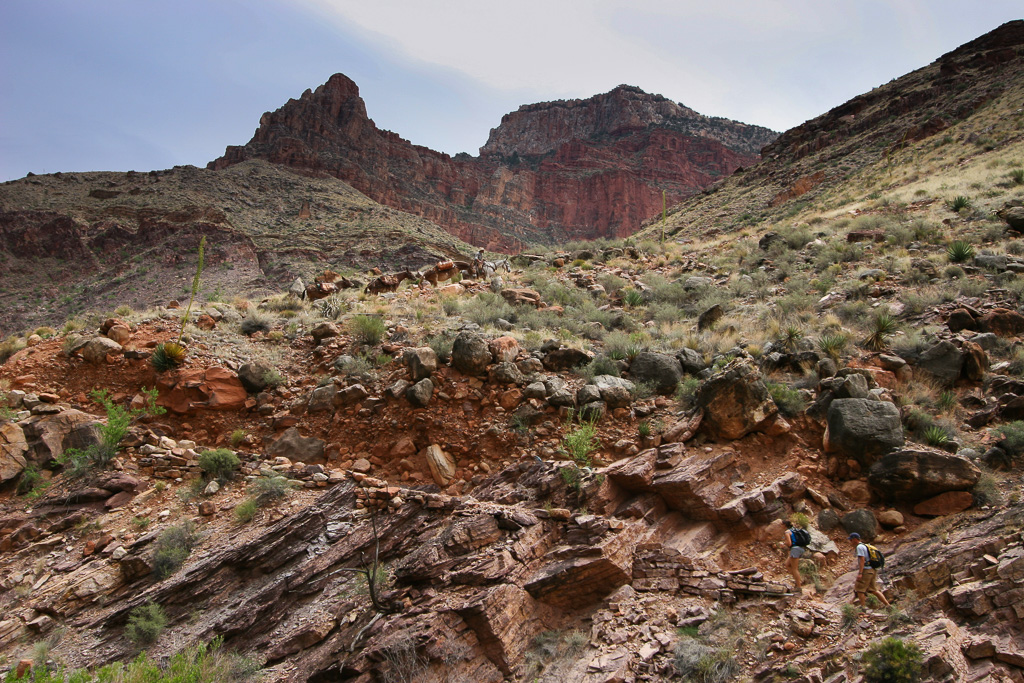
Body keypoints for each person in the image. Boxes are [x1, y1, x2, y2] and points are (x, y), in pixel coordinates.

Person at [849, 533, 890, 608]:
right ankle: (888, 605)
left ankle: (863, 609)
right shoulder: (865, 546)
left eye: (851, 540)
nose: (850, 542)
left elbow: (862, 559)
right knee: (873, 590)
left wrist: (860, 573)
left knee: (860, 590)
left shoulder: (859, 547)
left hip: (866, 570)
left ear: (855, 539)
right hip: (872, 570)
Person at [783, 520, 806, 593]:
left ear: (784, 525)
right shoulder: (794, 530)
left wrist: (784, 544)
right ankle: (798, 580)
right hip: (799, 548)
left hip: (795, 549)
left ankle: (799, 587)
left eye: (781, 525)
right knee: (787, 564)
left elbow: (789, 543)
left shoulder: (787, 532)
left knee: (794, 568)